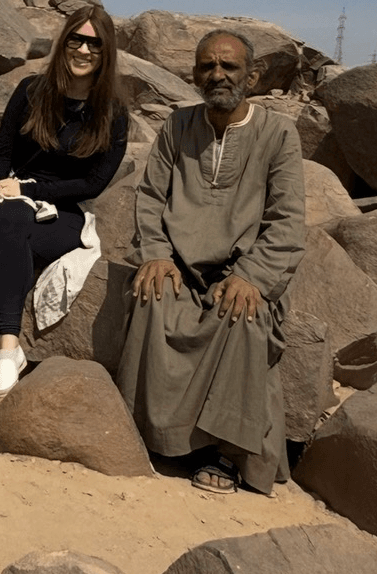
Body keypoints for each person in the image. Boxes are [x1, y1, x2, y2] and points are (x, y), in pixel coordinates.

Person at [115, 29, 305, 495]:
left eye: (229, 67)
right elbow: (151, 198)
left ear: (252, 75)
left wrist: (252, 277)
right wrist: (157, 255)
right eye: (207, 66)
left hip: (239, 272)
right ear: (194, 74)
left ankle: (222, 451)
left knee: (242, 313)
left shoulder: (277, 133)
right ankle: (159, 438)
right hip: (179, 266)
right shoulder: (178, 127)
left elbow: (286, 220)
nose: (217, 75)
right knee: (152, 295)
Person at [0, 5, 128, 414]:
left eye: (95, 43)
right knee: (10, 220)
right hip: (12, 205)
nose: (84, 50)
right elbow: (1, 154)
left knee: (3, 240)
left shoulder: (113, 113)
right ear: (64, 40)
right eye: (76, 39)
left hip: (65, 216)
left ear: (107, 52)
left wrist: (29, 187)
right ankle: (8, 350)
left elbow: (92, 184)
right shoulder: (32, 92)